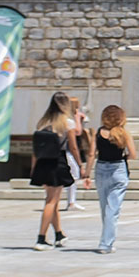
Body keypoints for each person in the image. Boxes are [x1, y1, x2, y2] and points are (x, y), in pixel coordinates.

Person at [28, 92, 78, 250]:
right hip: (57, 162)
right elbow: (74, 147)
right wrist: (81, 165)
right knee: (51, 201)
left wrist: (33, 167)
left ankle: (59, 234)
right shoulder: (68, 123)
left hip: (43, 163)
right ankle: (41, 238)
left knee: (53, 200)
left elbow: (35, 149)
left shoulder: (43, 123)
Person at [92, 104, 136, 254]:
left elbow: (92, 154)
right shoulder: (123, 133)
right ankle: (106, 243)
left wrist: (85, 173)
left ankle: (107, 240)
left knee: (105, 208)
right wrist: (123, 158)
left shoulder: (98, 132)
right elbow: (133, 154)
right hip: (118, 169)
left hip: (101, 168)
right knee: (113, 209)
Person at [65, 97, 91, 212]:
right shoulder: (69, 119)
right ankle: (71, 202)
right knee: (73, 173)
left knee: (73, 174)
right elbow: (77, 131)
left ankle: (71, 201)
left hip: (73, 144)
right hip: (68, 147)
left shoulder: (77, 116)